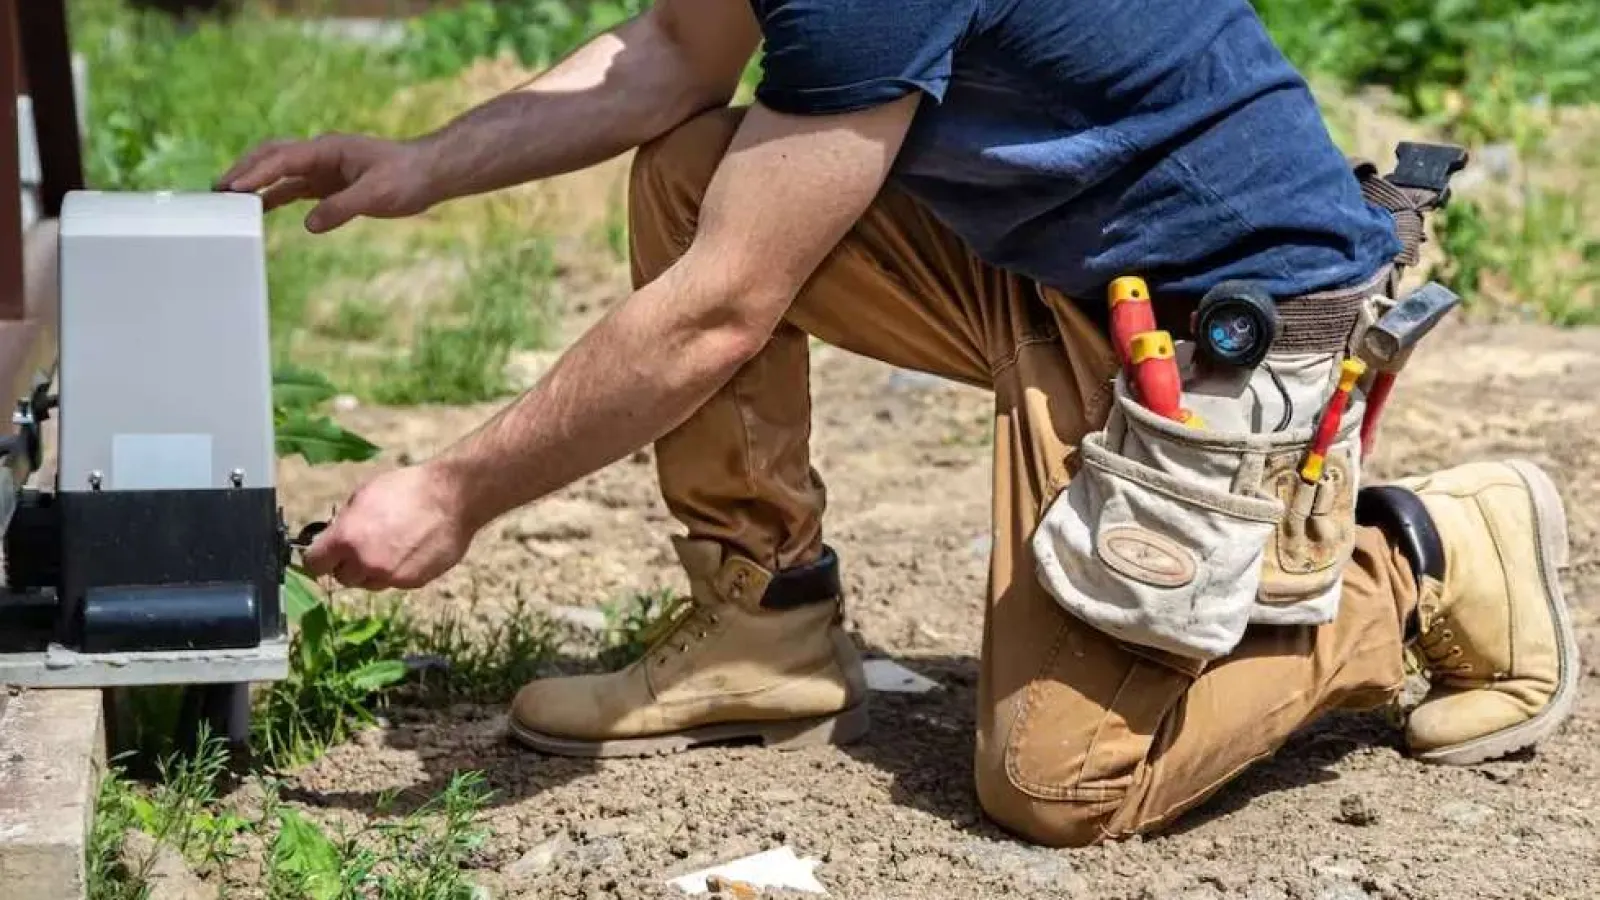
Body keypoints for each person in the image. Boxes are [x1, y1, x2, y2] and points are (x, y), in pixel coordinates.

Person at [217, 0, 1580, 847]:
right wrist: (423, 165)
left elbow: (718, 314)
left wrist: (457, 491)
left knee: (1065, 784)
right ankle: (766, 620)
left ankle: (1415, 560)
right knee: (700, 170)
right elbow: (677, 55)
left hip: (1231, 316)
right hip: (1053, 266)